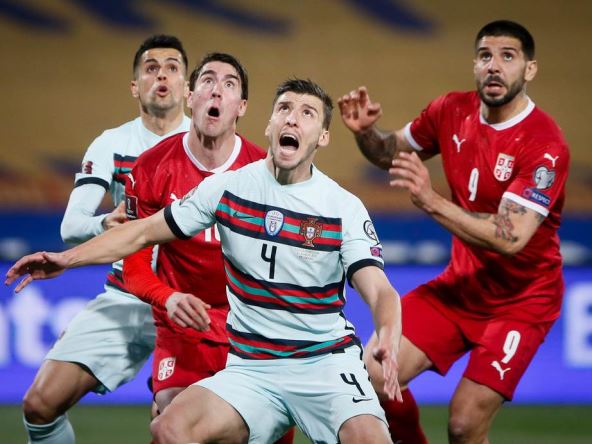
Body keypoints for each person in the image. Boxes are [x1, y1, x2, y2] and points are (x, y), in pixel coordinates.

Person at [7, 78, 403, 444]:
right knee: (170, 428)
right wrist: (67, 259)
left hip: (323, 366)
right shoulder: (230, 189)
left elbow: (379, 289)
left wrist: (387, 332)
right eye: (284, 108)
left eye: (307, 113)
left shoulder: (342, 208)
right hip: (252, 369)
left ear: (323, 136)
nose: (292, 119)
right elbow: (141, 232)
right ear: (269, 124)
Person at [338, 20, 569, 444]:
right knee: (371, 374)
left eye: (508, 56)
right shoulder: (450, 111)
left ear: (530, 69)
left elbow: (511, 236)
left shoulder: (544, 144)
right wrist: (366, 134)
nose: (494, 66)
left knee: (463, 426)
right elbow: (390, 153)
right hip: (461, 288)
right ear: (475, 65)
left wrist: (431, 200)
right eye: (485, 56)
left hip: (522, 302)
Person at [20, 35, 190, 444]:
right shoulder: (113, 144)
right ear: (135, 86)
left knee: (175, 423)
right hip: (128, 295)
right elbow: (72, 226)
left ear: (188, 87)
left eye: (172, 68)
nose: (161, 76)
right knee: (39, 405)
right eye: (151, 68)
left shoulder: (207, 143)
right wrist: (105, 224)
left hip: (190, 301)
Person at [121, 50, 294, 444]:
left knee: (264, 432)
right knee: (173, 425)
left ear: (241, 107)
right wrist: (168, 298)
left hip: (251, 329)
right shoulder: (151, 168)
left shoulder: (267, 175)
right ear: (190, 96)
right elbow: (134, 265)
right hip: (184, 327)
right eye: (208, 81)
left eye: (229, 85)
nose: (217, 91)